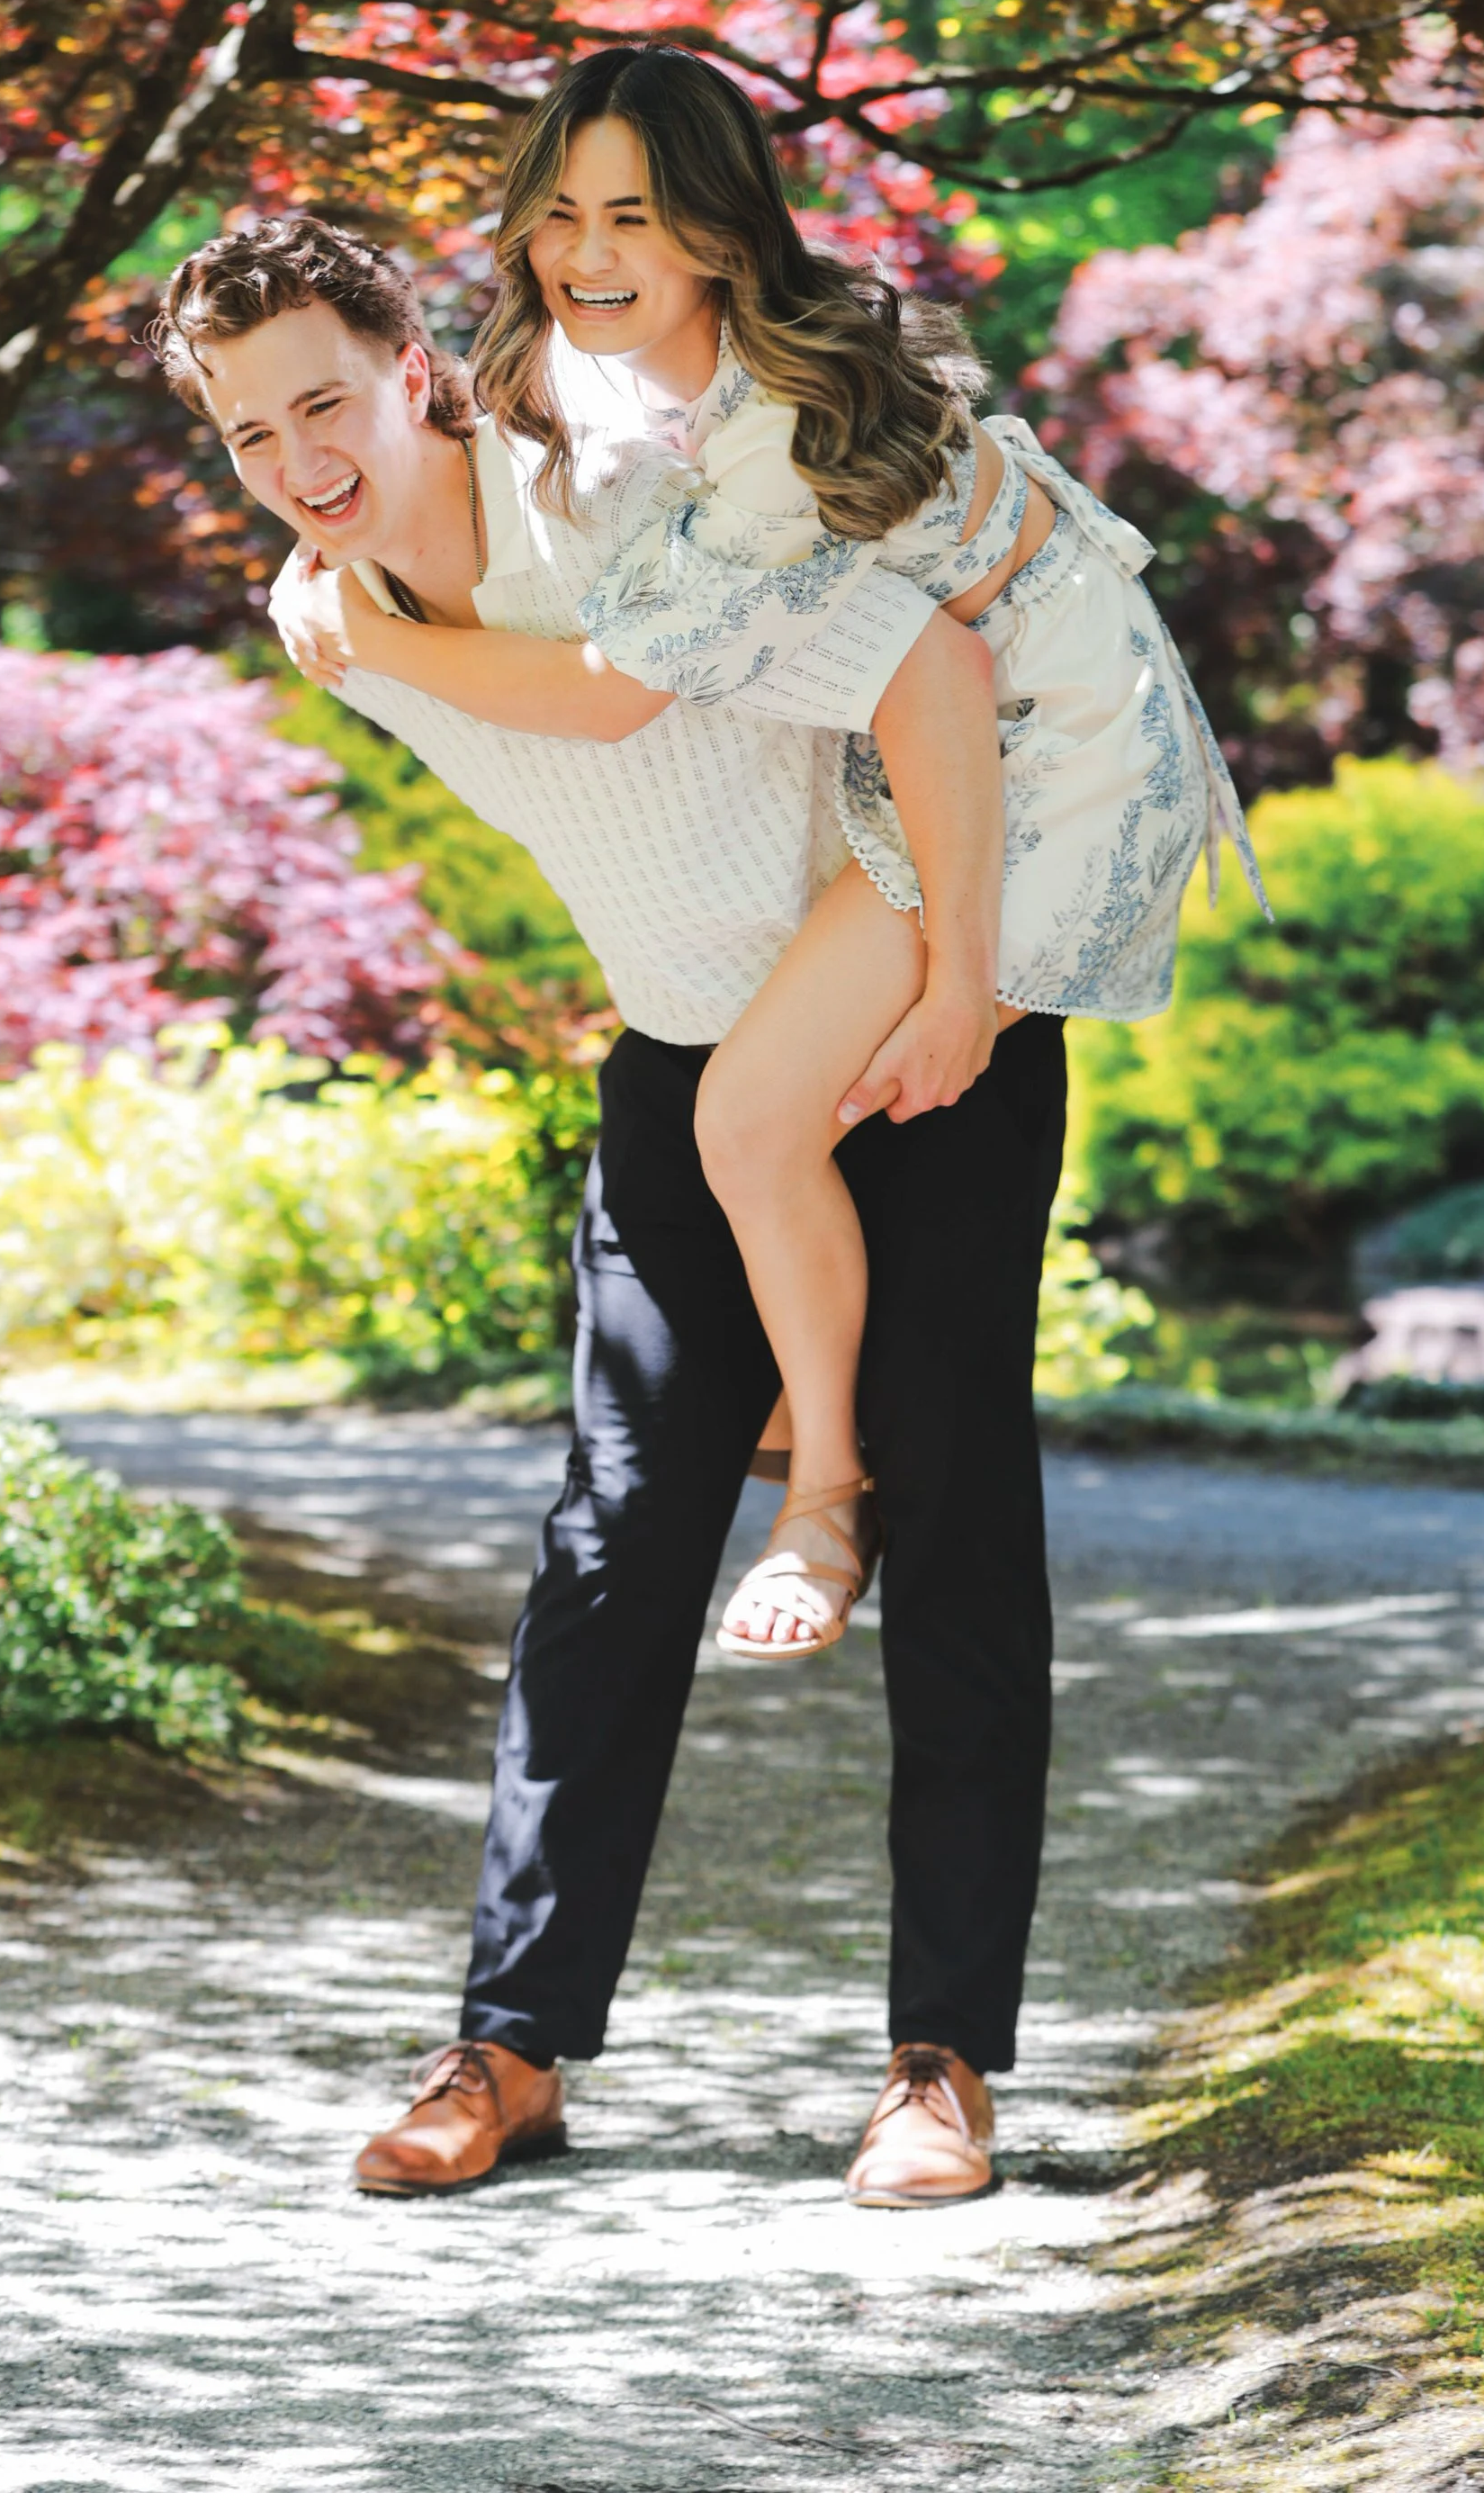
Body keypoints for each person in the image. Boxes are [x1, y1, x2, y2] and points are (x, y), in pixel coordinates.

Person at [152, 210, 1060, 2210]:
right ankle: (507, 2046)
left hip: (911, 1033)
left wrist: (972, 977)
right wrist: (377, 632)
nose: (298, 458)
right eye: (244, 434)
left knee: (959, 1533)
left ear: (416, 369)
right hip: (682, 1072)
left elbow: (824, 680)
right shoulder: (328, 617)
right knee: (607, 1547)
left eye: (324, 398)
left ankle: (937, 2064)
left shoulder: (617, 487)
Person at [301, 44, 1260, 1670]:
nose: (587, 255)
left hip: (1053, 754)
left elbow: (615, 696)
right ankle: (815, 1428)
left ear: (723, 238)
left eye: (636, 219)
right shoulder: (636, 375)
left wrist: (361, 639)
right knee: (767, 1123)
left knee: (751, 1111)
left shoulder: (773, 417)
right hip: (945, 749)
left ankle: (828, 1495)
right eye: (560, 215)